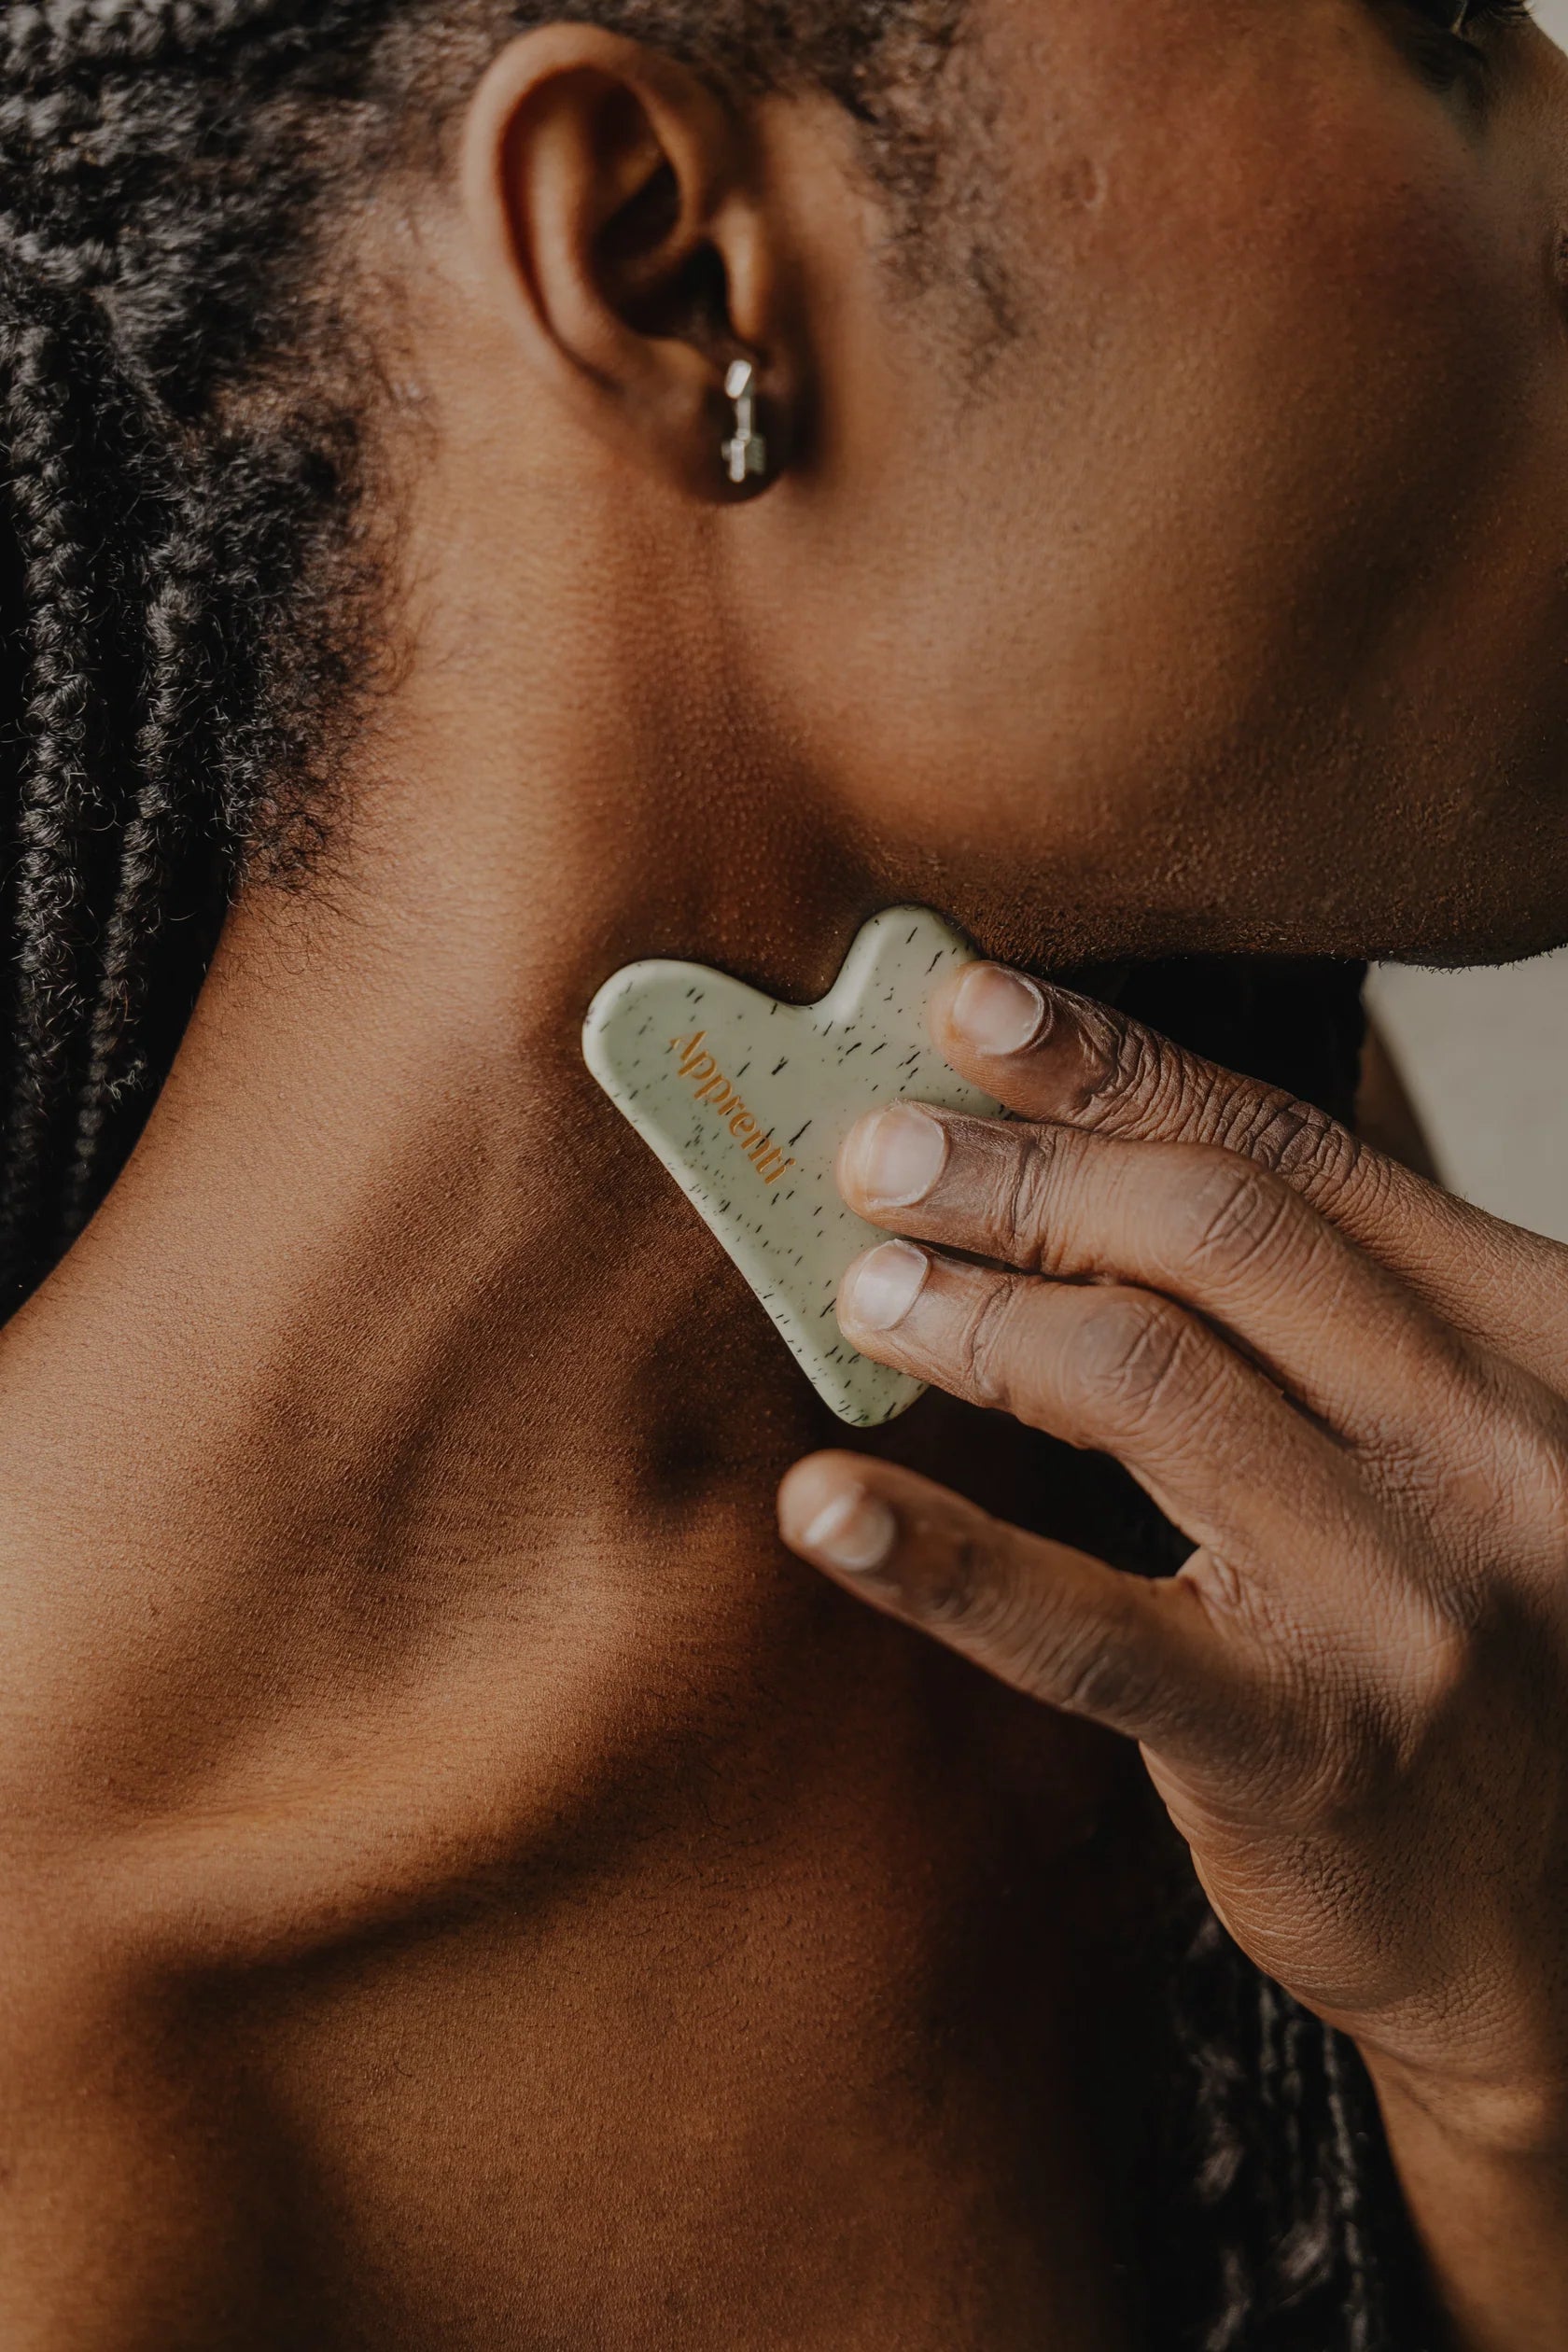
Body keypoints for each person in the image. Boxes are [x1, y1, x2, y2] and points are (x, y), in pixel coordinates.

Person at [1, 1, 1565, 2346]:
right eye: (1434, 32)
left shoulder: (1171, 1137)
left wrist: (1521, 2073)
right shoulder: (75, 2169)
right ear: (669, 264)